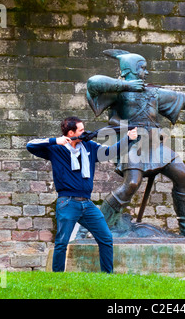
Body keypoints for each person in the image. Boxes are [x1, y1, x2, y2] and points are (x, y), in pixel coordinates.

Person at [86, 49, 185, 237]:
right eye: (142, 69)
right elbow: (92, 83)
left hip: (155, 144)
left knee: (184, 176)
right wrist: (126, 86)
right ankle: (97, 228)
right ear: (130, 70)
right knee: (131, 184)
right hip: (133, 144)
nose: (146, 73)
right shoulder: (117, 92)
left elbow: (183, 99)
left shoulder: (153, 93)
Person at [26, 116, 138, 272]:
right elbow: (30, 145)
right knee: (62, 242)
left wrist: (128, 139)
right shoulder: (56, 149)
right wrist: (55, 140)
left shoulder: (89, 146)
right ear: (71, 133)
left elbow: (110, 152)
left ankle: (108, 275)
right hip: (67, 203)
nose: (84, 133)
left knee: (106, 238)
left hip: (87, 203)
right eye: (81, 130)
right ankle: (57, 278)